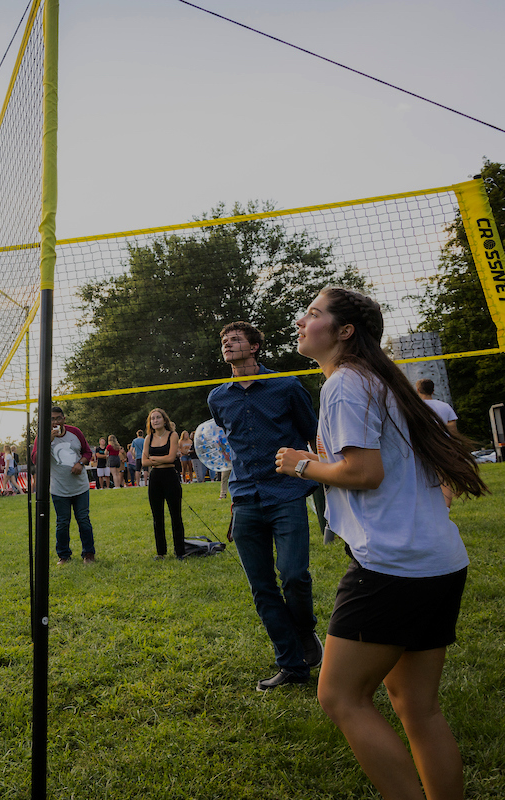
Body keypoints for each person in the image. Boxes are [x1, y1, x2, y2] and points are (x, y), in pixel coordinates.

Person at [276, 287, 487, 800]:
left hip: (393, 566)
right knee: (417, 707)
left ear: (344, 331)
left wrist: (300, 463)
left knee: (340, 697)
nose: (302, 322)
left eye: (313, 314)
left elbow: (364, 472)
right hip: (438, 560)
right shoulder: (377, 381)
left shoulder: (346, 383)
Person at [208, 320, 322, 691]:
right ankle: (291, 666)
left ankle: (305, 632)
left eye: (236, 339)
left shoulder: (285, 385)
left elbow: (312, 433)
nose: (227, 343)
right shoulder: (217, 397)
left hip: (286, 493)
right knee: (262, 587)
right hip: (244, 498)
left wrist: (325, 482)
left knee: (293, 576)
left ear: (255, 347)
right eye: (224, 340)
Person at [33, 406, 95, 565]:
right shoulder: (42, 436)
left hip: (80, 486)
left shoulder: (75, 432)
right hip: (59, 488)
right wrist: (48, 441)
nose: (55, 422)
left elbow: (88, 453)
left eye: (58, 418)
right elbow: (36, 459)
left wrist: (81, 463)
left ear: (64, 419)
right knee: (62, 522)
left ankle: (88, 554)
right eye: (52, 419)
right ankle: (64, 555)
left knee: (83, 520)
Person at [142, 408, 185, 559]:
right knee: (157, 516)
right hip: (155, 478)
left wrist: (155, 459)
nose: (155, 420)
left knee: (175, 515)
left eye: (158, 417)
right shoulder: (148, 438)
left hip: (170, 476)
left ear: (164, 420)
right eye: (152, 418)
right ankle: (161, 552)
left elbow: (171, 458)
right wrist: (159, 459)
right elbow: (144, 461)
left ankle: (180, 551)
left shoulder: (173, 435)